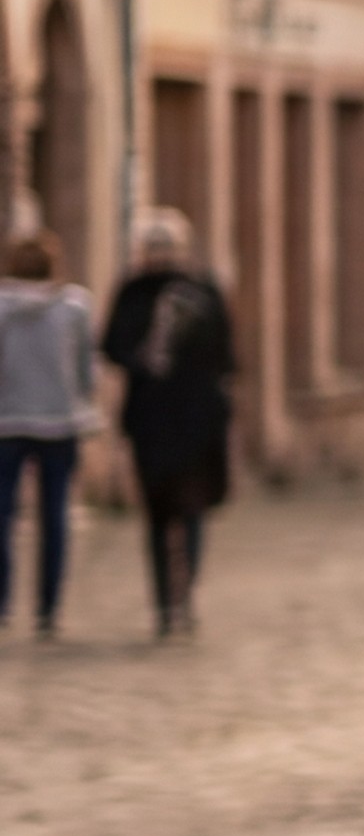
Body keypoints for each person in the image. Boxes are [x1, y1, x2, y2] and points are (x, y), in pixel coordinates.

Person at [101, 209, 232, 638]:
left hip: (188, 419)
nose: (159, 255)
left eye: (164, 247)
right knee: (164, 513)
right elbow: (113, 347)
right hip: (159, 420)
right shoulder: (138, 291)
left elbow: (226, 355)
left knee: (185, 511)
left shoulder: (201, 291)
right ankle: (169, 601)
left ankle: (179, 596)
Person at [0, 230, 89, 637]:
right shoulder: (74, 307)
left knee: (4, 518)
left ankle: (3, 603)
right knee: (55, 517)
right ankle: (47, 609)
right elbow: (86, 367)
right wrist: (82, 401)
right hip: (59, 422)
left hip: (7, 422)